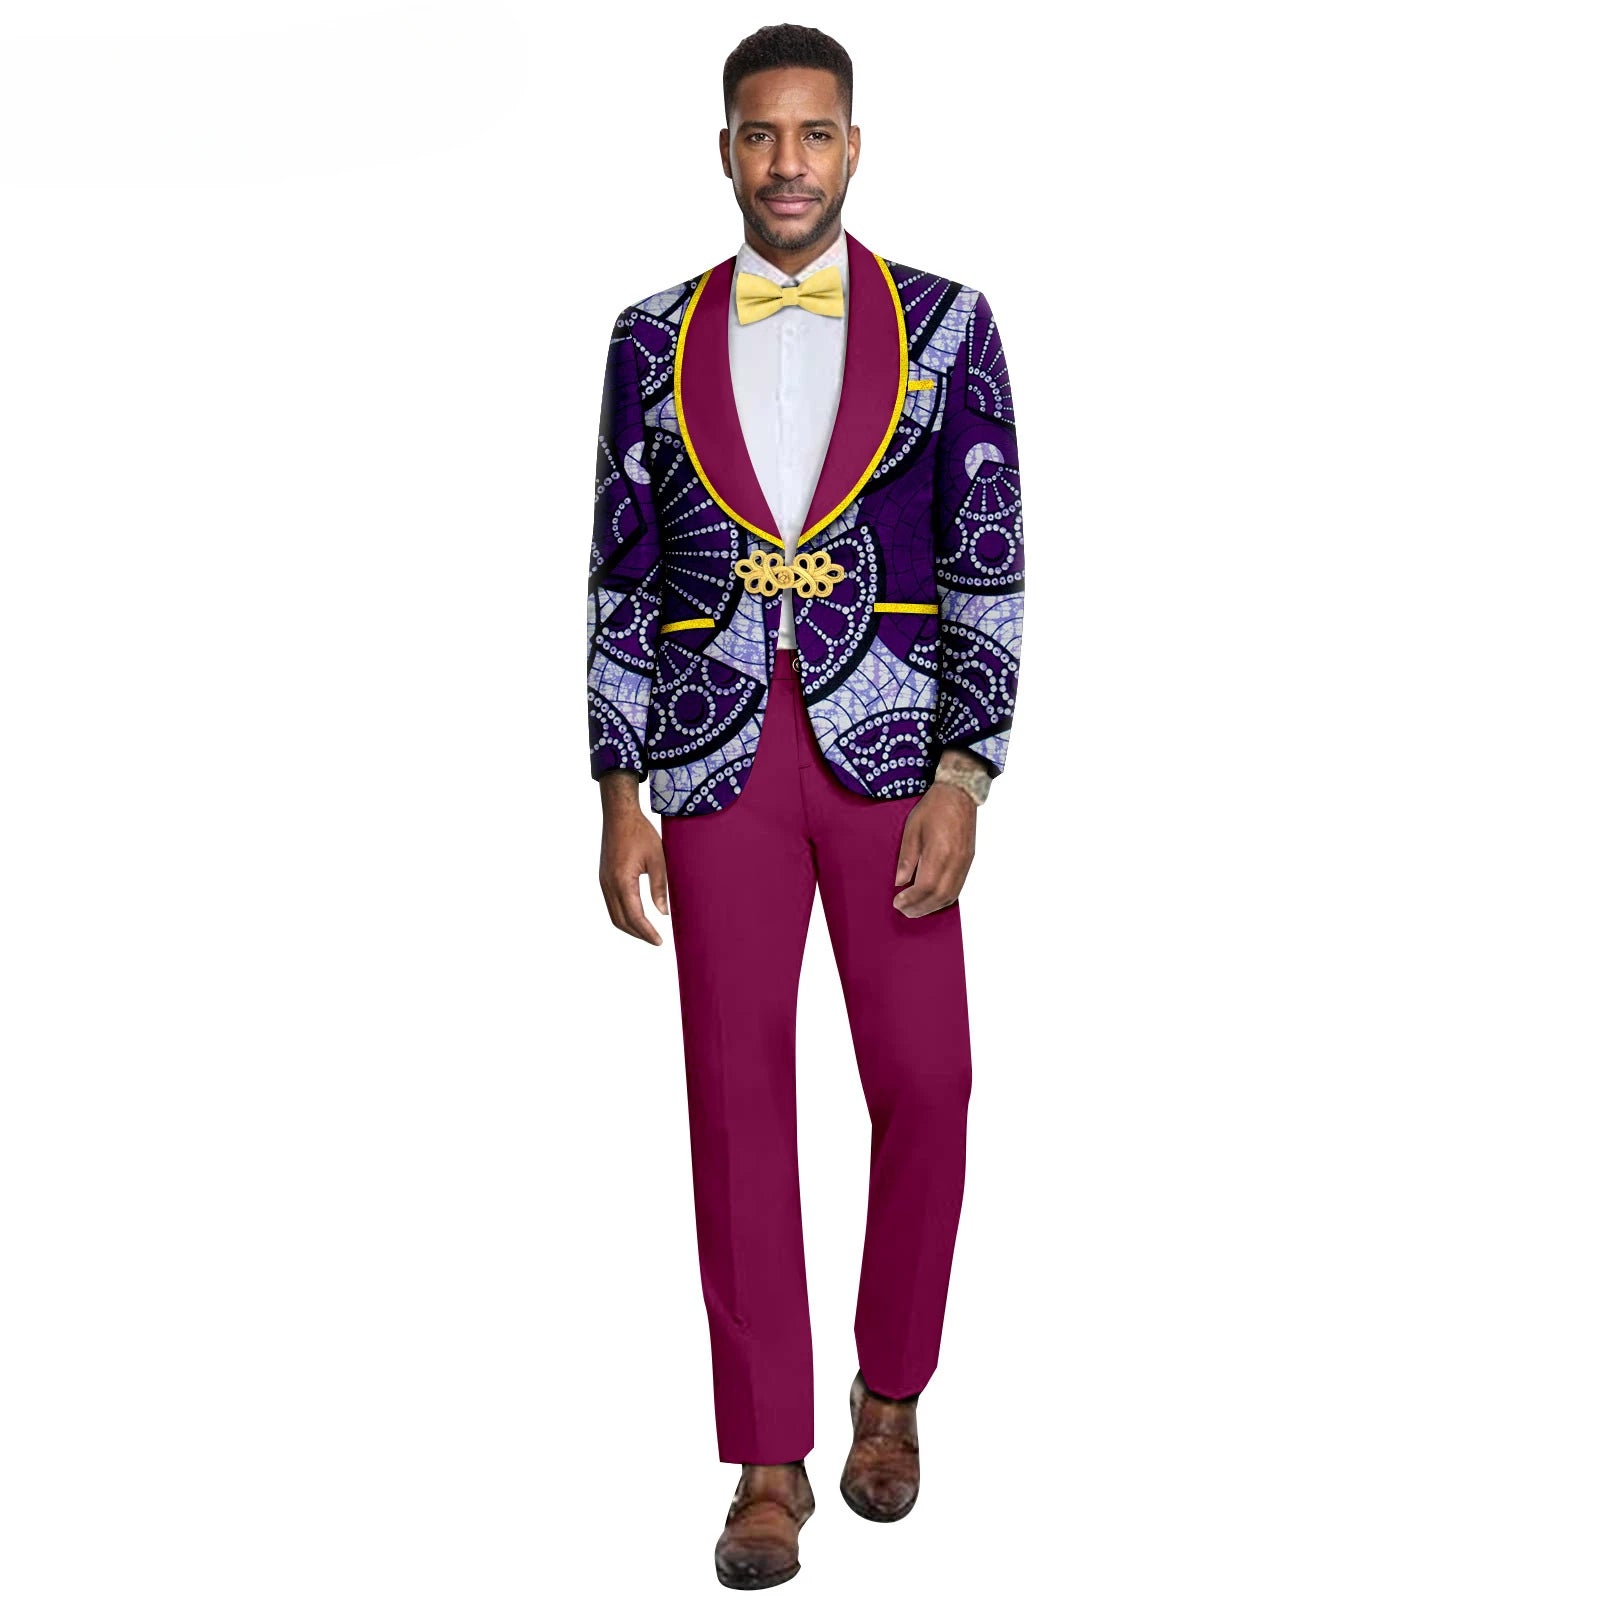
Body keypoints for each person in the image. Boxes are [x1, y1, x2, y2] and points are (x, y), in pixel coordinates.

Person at [585, 22, 1024, 1589]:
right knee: (736, 1098)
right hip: (712, 756)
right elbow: (620, 571)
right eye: (761, 135)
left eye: (814, 133)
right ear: (725, 150)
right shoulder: (649, 337)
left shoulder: (949, 326)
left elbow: (988, 555)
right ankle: (766, 1459)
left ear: (853, 147)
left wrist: (968, 772)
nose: (788, 163)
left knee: (928, 1077)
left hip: (892, 750)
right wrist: (618, 787)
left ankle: (888, 1393)